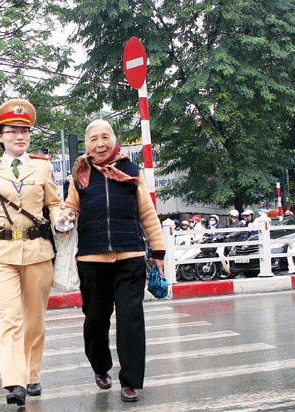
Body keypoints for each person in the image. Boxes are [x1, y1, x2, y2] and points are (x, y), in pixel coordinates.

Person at [0, 98, 63, 406]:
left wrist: (61, 217)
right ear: (1, 136)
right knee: (11, 318)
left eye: (24, 131)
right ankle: (14, 382)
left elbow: (54, 204)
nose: (20, 136)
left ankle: (32, 374)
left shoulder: (42, 166)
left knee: (34, 320)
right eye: (12, 131)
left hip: (38, 253)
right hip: (1, 255)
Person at [59, 118, 166, 403]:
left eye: (105, 137)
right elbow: (70, 207)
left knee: (130, 318)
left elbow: (147, 213)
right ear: (87, 145)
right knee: (95, 318)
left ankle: (131, 382)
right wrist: (66, 215)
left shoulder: (131, 171)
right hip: (91, 259)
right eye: (93, 139)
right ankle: (100, 366)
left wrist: (158, 251)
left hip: (129, 256)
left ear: (114, 140)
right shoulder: (80, 175)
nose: (100, 143)